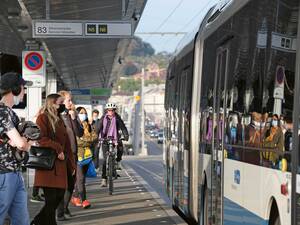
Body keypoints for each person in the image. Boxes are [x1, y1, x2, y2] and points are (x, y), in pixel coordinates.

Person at [31, 93, 76, 225]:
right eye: (60, 102)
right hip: (47, 166)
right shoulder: (42, 118)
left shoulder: (59, 119)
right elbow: (41, 138)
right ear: (53, 103)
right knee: (51, 201)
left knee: (59, 197)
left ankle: (37, 222)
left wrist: (71, 164)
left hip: (61, 166)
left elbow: (67, 143)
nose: (62, 105)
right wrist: (58, 148)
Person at [0, 72, 33, 225]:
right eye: (22, 88)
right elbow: (20, 144)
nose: (24, 92)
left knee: (21, 220)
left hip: (14, 172)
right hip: (4, 173)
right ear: (14, 89)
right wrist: (28, 142)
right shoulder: (3, 111)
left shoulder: (9, 112)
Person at [56, 90, 83, 220]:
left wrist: (74, 118)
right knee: (63, 184)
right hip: (63, 154)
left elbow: (79, 133)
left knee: (71, 184)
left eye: (71, 100)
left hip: (73, 153)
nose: (71, 103)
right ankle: (60, 212)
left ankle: (64, 208)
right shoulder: (57, 116)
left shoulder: (71, 114)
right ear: (61, 101)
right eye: (69, 100)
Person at [96, 103, 129, 187]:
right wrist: (96, 136)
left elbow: (123, 127)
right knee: (104, 160)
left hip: (114, 138)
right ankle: (104, 179)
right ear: (107, 110)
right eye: (109, 110)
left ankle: (118, 161)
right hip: (104, 139)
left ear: (115, 111)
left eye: (112, 110)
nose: (110, 112)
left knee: (120, 147)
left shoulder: (117, 118)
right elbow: (98, 128)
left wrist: (126, 135)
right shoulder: (103, 118)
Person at [71, 107, 97, 208]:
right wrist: (87, 140)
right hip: (78, 156)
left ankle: (75, 196)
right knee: (80, 178)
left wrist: (84, 139)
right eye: (81, 113)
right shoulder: (74, 126)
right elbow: (77, 141)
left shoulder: (89, 126)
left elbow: (94, 137)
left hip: (87, 155)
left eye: (85, 113)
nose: (83, 115)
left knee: (82, 179)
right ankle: (84, 200)